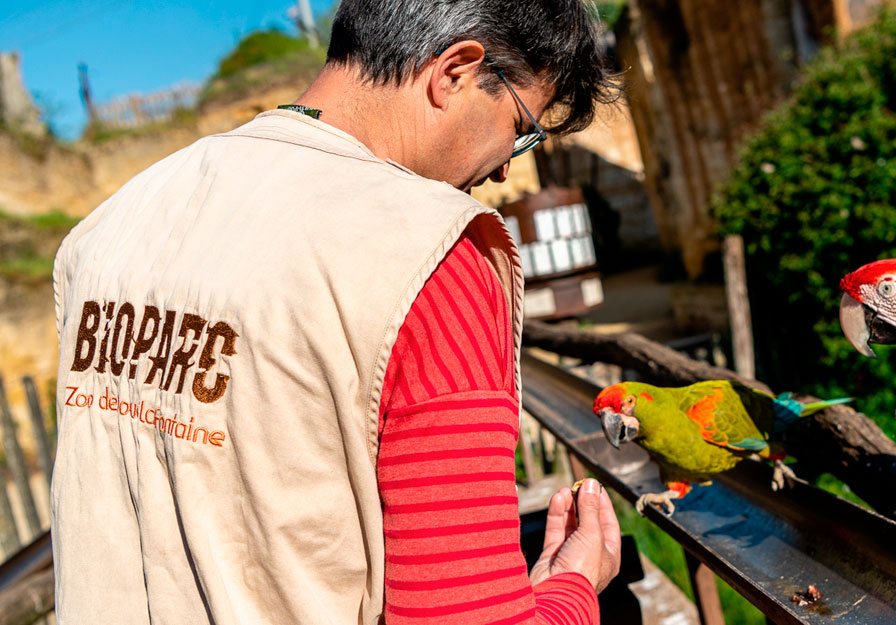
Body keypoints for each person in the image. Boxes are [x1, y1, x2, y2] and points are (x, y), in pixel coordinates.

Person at [50, 1, 622, 623]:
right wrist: (574, 586)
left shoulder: (112, 224)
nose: (507, 165)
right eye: (519, 126)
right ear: (454, 71)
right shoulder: (428, 252)